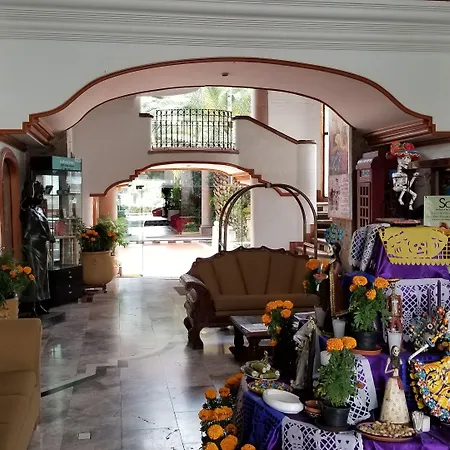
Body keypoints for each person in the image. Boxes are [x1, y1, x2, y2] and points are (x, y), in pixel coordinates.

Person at [380, 345, 410, 424]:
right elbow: (385, 371)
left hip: (398, 379)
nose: (396, 352)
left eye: (397, 351)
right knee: (390, 397)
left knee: (399, 397)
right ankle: (389, 417)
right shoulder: (389, 359)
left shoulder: (399, 360)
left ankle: (399, 417)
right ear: (392, 351)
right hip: (392, 379)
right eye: (395, 351)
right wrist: (392, 370)